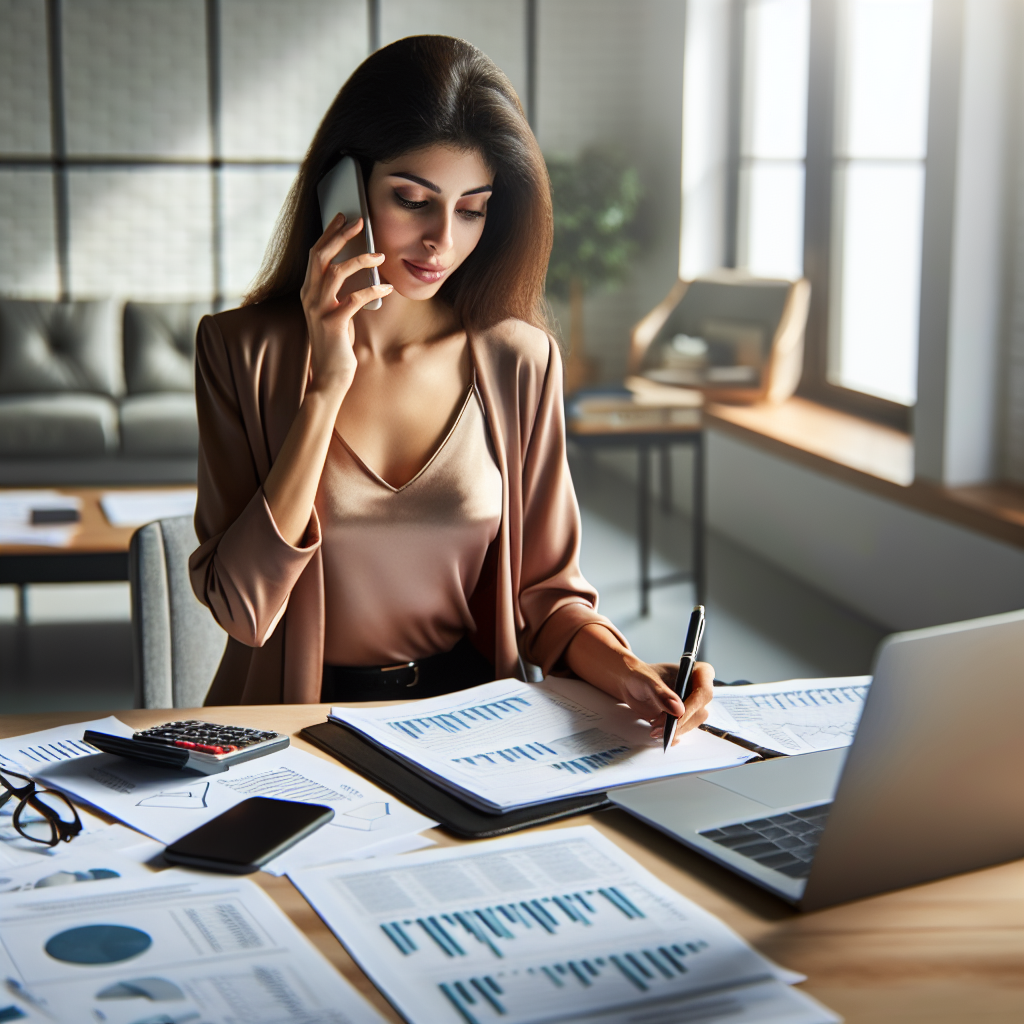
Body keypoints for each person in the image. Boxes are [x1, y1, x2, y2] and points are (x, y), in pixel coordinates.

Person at [189, 35, 712, 744]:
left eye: (472, 208)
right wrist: (325, 389)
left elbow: (545, 594)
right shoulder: (239, 351)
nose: (442, 240)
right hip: (297, 727)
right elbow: (243, 609)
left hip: (468, 726)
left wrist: (623, 669)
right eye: (413, 199)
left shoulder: (519, 361)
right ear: (343, 189)